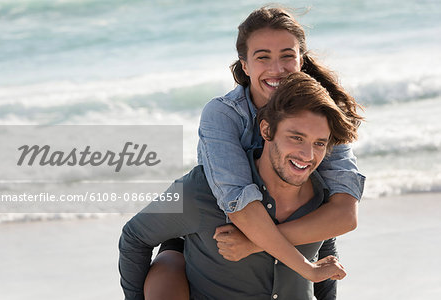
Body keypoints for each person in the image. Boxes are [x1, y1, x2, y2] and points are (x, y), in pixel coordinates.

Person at [141, 5, 364, 300]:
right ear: (245, 65)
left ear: (301, 60)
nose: (277, 69)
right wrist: (302, 264)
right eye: (263, 57)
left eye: (288, 56)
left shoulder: (321, 112)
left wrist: (253, 244)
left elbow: (343, 213)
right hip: (212, 236)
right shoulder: (224, 114)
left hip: (308, 233)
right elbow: (239, 205)